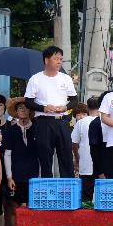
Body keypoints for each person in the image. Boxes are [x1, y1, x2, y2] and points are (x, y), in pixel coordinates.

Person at [23, 46, 77, 178]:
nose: (59, 61)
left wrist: (65, 107)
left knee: (66, 158)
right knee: (45, 158)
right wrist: (44, 108)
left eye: (61, 59)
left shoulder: (66, 78)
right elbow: (28, 102)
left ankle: (68, 190)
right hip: (44, 122)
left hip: (62, 121)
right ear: (46, 60)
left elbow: (75, 100)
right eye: (56, 58)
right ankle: (48, 189)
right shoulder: (35, 79)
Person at [3, 98, 38, 226]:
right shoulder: (11, 131)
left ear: (30, 110)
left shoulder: (37, 129)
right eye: (20, 108)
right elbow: (7, 154)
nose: (23, 110)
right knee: (13, 207)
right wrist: (9, 177)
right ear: (16, 111)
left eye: (25, 107)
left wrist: (40, 175)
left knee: (31, 207)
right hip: (16, 175)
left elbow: (42, 155)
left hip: (34, 174)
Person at [71, 101, 97, 202]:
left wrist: (77, 159)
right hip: (104, 167)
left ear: (88, 109)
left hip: (85, 166)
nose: (81, 116)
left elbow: (74, 143)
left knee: (86, 199)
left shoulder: (81, 123)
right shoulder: (106, 122)